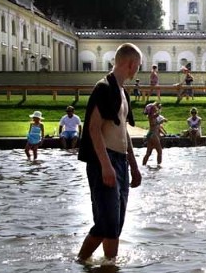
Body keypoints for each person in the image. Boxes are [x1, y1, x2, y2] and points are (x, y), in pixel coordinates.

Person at [77, 43, 142, 263]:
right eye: (138, 66)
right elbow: (94, 128)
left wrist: (133, 165)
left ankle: (106, 264)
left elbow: (123, 130)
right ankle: (84, 262)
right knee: (107, 223)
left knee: (115, 224)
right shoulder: (103, 87)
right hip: (103, 160)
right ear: (131, 64)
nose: (137, 71)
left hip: (120, 161)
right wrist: (106, 165)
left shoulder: (122, 92)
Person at [142, 102, 164, 166]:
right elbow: (153, 124)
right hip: (153, 135)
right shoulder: (151, 116)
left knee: (148, 153)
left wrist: (159, 108)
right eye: (154, 107)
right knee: (159, 152)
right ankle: (158, 166)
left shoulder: (152, 115)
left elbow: (158, 112)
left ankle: (143, 165)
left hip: (150, 134)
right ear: (151, 109)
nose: (155, 107)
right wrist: (160, 122)